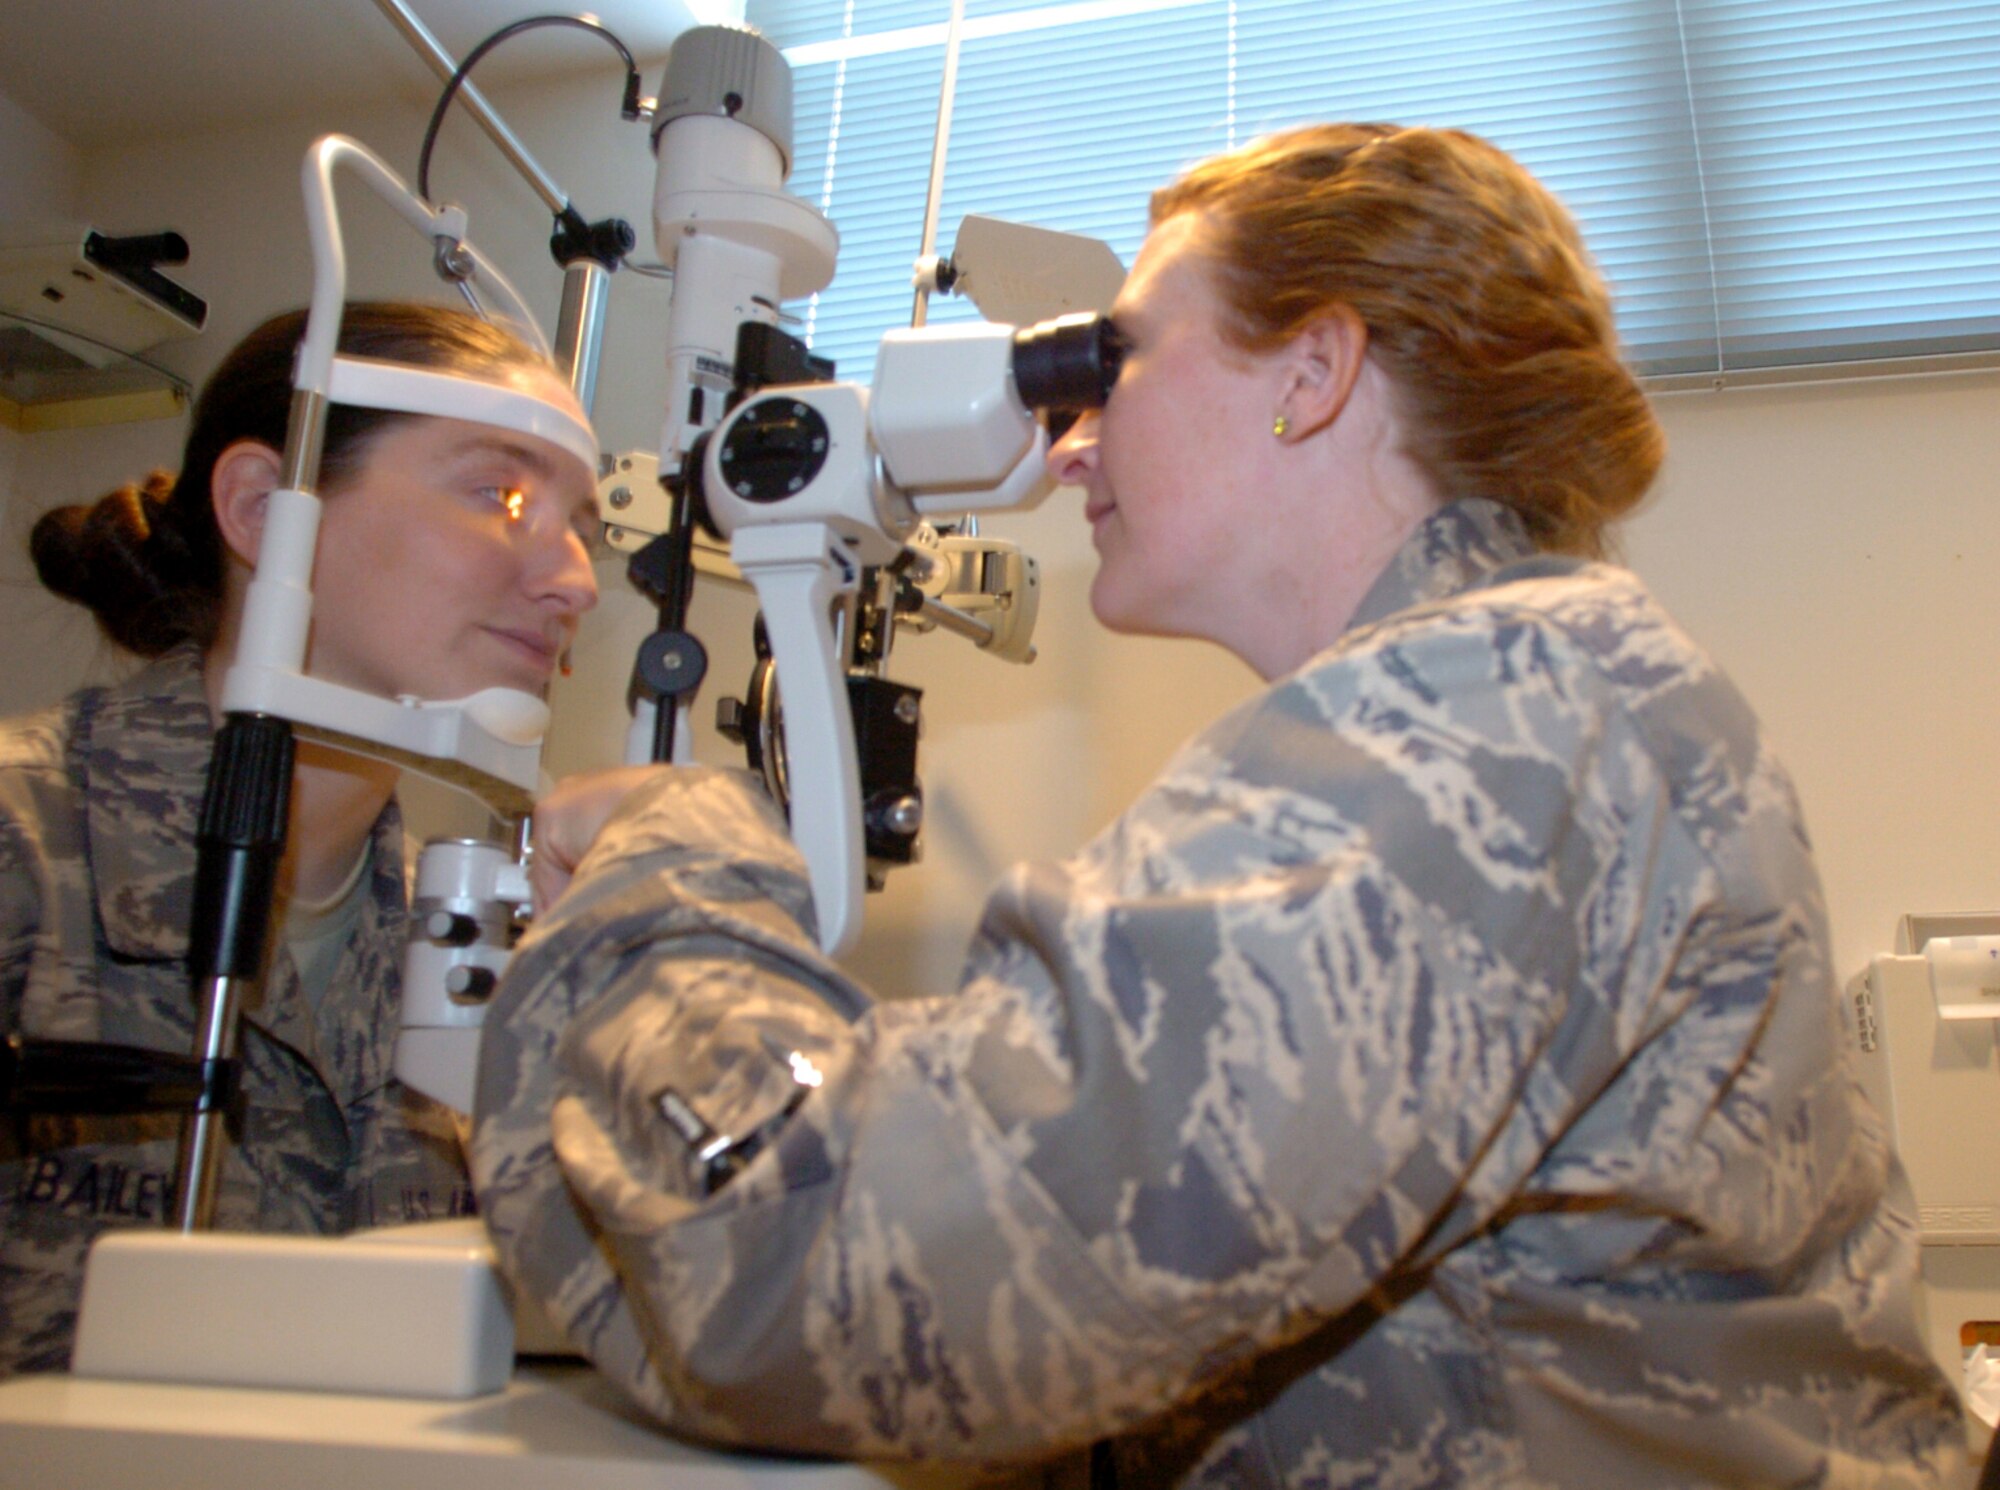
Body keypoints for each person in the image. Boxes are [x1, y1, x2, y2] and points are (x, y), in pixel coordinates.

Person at [470, 126, 1967, 1486]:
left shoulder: (1498, 706)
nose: (1069, 443)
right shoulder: (1524, 688)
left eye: (1111, 362)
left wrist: (667, 864)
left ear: (1311, 375)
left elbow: (842, 1267)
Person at [0, 302, 601, 1375]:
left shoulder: (480, 944)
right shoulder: (27, 854)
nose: (576, 581)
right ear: (262, 511)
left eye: (584, 529)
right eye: (503, 495)